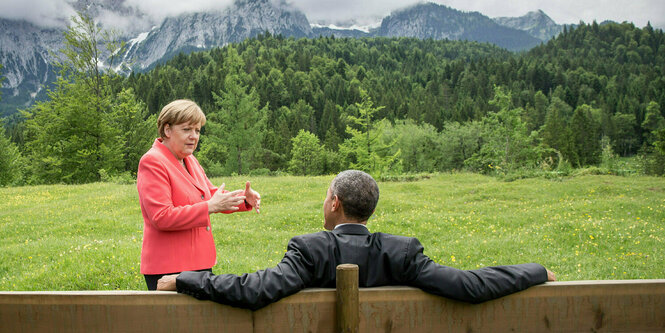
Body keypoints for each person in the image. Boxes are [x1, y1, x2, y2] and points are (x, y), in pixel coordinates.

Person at [158, 170, 554, 310]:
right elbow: (471, 285)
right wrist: (535, 271)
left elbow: (255, 290)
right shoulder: (402, 252)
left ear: (334, 202)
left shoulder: (309, 249)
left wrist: (187, 279)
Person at [137, 99, 261, 290]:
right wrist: (209, 208)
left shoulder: (189, 159)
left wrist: (244, 199)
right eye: (187, 129)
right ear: (167, 130)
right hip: (168, 268)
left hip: (200, 264)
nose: (194, 136)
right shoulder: (152, 162)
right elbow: (161, 217)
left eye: (197, 130)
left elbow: (210, 195)